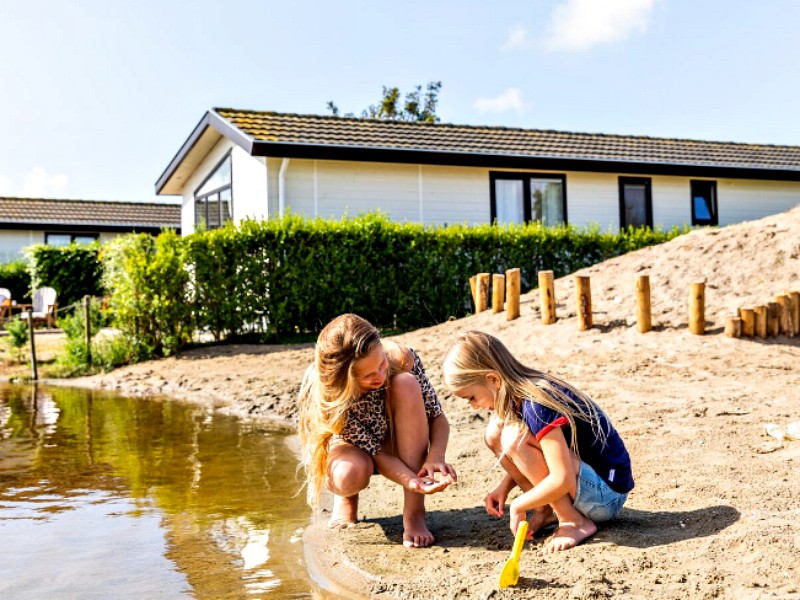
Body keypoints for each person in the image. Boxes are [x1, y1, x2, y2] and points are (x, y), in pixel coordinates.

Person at [442, 330, 633, 554]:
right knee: (495, 432)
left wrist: (521, 504)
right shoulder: (518, 395)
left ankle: (573, 522)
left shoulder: (537, 404)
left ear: (493, 379)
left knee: (514, 438)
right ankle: (546, 510)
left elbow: (561, 477)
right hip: (586, 483)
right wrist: (504, 487)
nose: (474, 406)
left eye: (471, 398)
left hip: (607, 496)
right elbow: (539, 455)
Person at [298, 313, 457, 548]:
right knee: (349, 475)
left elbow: (437, 417)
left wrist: (435, 457)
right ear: (345, 381)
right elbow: (375, 452)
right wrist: (411, 480)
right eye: (369, 376)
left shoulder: (402, 359)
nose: (381, 376)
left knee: (405, 382)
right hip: (357, 450)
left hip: (398, 438)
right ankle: (346, 498)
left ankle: (414, 513)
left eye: (381, 364)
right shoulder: (329, 397)